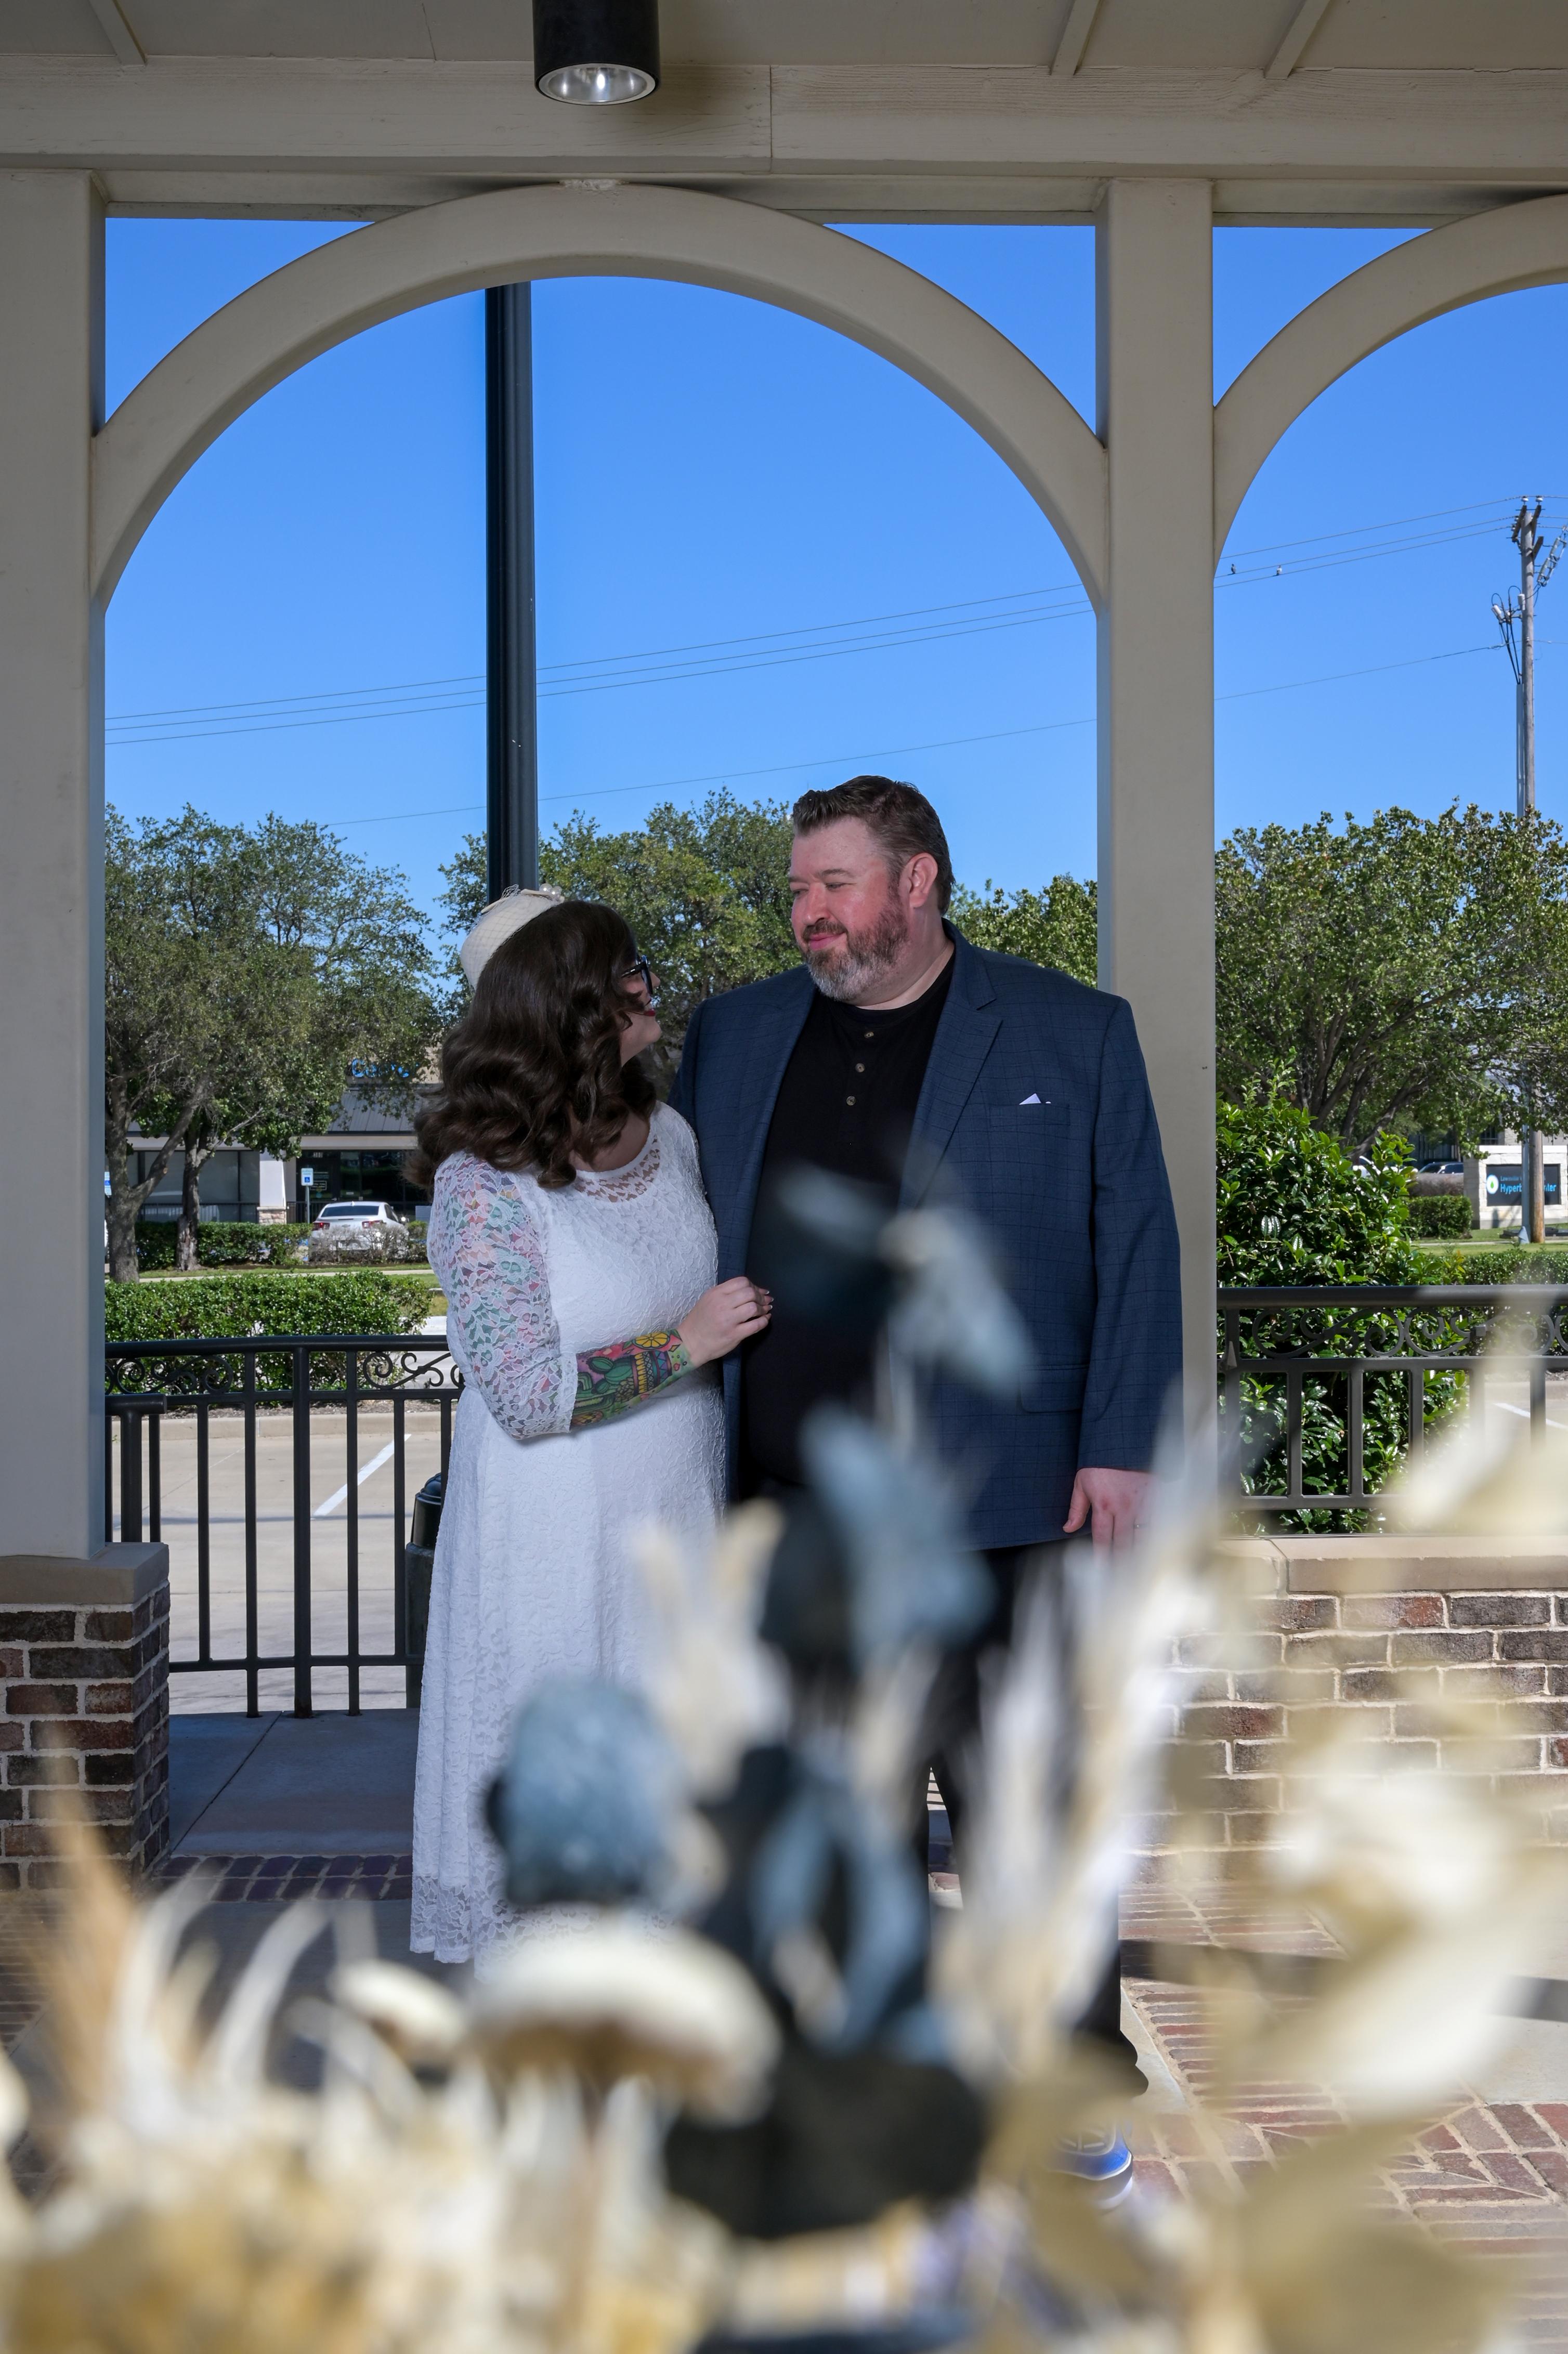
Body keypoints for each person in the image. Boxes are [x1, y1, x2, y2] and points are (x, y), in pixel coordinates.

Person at [669, 776, 1182, 2179]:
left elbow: (1138, 1242)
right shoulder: (735, 1035)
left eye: (832, 885)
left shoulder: (1073, 1030)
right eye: (795, 889)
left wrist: (1121, 1441)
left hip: (1007, 1505)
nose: (807, 914)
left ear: (917, 882)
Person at [408, 895, 771, 1967]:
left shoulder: (673, 1136)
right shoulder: (481, 1184)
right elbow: (525, 1392)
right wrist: (687, 1343)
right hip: (555, 1541)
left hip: (677, 1523)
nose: (649, 988)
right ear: (565, 1003)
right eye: (627, 975)